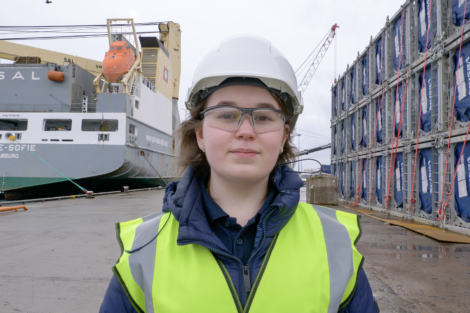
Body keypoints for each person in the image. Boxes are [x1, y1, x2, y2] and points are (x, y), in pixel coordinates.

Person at [100, 36, 379, 313]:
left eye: (263, 116)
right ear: (199, 134)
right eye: (226, 114)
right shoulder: (143, 250)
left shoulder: (335, 244)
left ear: (283, 137)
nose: (246, 131)